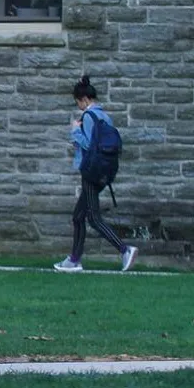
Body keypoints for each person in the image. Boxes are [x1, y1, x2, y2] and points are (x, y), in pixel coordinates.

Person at [54, 76, 138, 273]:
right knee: (78, 217)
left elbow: (90, 146)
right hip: (101, 172)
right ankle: (74, 260)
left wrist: (75, 131)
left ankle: (125, 250)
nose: (79, 106)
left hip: (91, 172)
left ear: (83, 99)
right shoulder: (104, 116)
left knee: (93, 218)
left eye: (78, 102)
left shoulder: (89, 117)